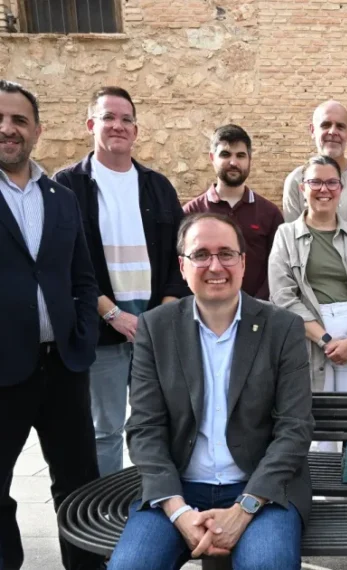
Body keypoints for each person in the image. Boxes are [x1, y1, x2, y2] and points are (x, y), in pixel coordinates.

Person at [108, 213, 313, 570]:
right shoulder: (156, 329)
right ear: (182, 266)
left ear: (244, 262)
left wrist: (245, 507)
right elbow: (144, 429)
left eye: (226, 254)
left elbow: (294, 429)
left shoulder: (283, 328)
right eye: (201, 254)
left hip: (262, 491)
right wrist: (178, 511)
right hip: (178, 487)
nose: (215, 265)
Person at [53, 86, 188, 477]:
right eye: (108, 117)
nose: (118, 125)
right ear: (91, 124)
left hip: (155, 330)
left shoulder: (157, 186)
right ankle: (106, 509)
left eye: (126, 119)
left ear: (136, 130)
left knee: (159, 425)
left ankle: (159, 500)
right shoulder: (67, 187)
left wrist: (160, 316)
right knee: (105, 430)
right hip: (102, 333)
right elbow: (64, 264)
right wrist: (113, 314)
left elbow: (179, 257)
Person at [0, 80, 105, 570]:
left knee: (79, 482)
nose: (8, 128)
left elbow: (83, 277)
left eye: (19, 120)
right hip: (3, 371)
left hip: (63, 364)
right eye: (1, 119)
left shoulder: (60, 198)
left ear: (36, 130)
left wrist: (81, 329)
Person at [269, 155, 347, 453]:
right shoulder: (286, 237)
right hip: (310, 339)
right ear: (302, 188)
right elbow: (283, 297)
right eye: (315, 182)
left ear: (341, 188)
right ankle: (318, 494)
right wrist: (326, 340)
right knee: (317, 427)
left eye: (331, 182)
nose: (323, 189)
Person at [282, 100, 347, 273]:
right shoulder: (296, 180)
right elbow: (292, 244)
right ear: (312, 130)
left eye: (340, 126)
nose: (333, 132)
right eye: (325, 125)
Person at [183, 124, 284, 300]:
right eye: (225, 154)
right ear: (212, 158)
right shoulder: (191, 213)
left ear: (249, 160)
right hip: (205, 311)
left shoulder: (270, 213)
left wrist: (257, 305)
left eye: (240, 156)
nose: (233, 162)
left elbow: (278, 267)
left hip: (259, 312)